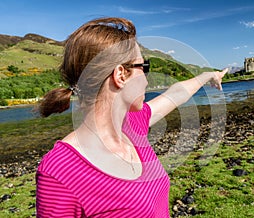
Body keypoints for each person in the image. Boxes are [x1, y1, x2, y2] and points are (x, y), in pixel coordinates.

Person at [36, 17, 227, 217]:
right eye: (143, 67)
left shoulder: (131, 124)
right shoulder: (60, 172)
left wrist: (209, 76)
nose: (146, 78)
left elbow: (175, 94)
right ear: (120, 75)